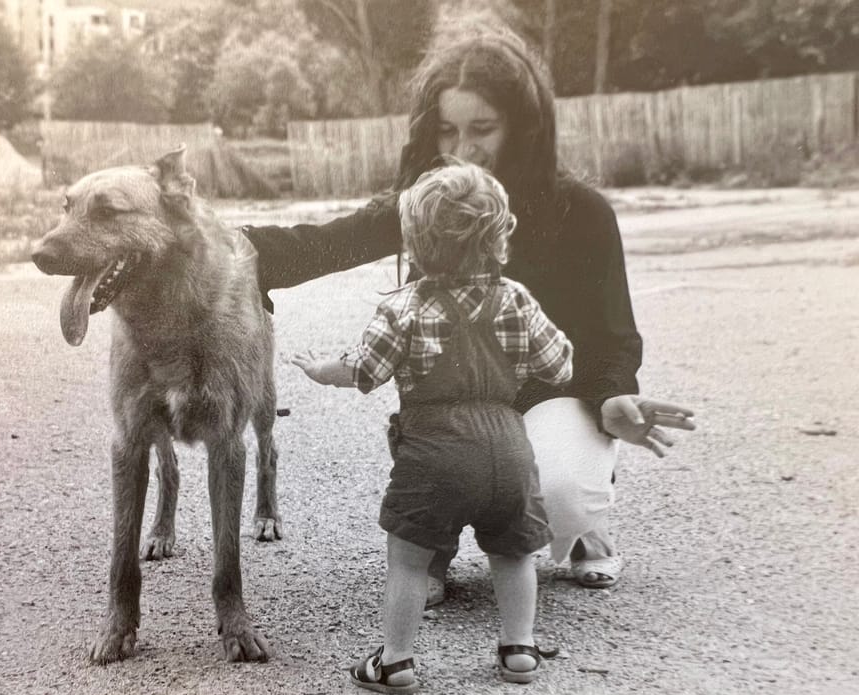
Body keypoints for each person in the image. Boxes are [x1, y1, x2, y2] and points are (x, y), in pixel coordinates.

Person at [243, 28, 696, 604]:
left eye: (483, 129)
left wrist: (611, 401)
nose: (464, 149)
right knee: (442, 459)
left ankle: (585, 520)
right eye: (448, 129)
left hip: (555, 398)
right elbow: (327, 243)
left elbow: (610, 340)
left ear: (523, 126)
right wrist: (233, 246)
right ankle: (437, 537)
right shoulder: (430, 201)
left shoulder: (581, 211)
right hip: (452, 407)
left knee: (559, 494)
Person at [292, 161, 573, 694]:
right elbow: (560, 367)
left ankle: (396, 660)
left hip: (434, 450)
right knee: (513, 552)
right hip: (508, 444)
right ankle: (519, 647)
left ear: (414, 245)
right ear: (498, 240)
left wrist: (319, 368)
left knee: (409, 558)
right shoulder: (515, 298)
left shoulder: (404, 306)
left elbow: (363, 372)